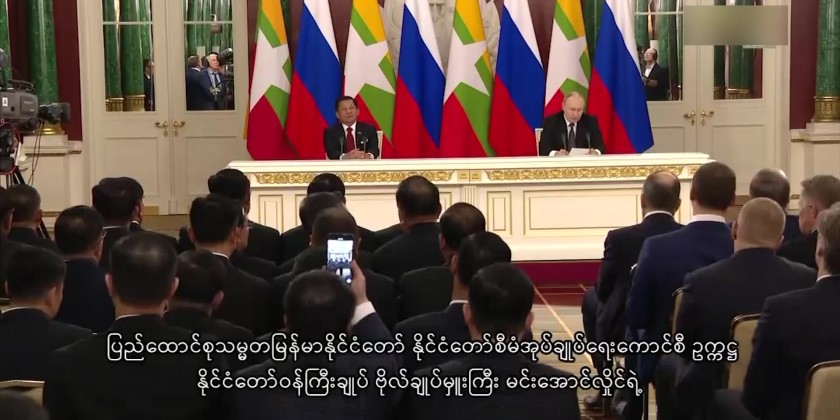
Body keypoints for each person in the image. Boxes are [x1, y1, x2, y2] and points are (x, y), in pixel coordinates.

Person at [656, 197, 815, 419]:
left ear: (734, 230)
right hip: (781, 394)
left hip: (713, 393)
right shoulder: (806, 279)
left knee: (667, 363)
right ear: (780, 241)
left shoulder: (701, 281)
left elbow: (684, 345)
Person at [538, 91, 605, 156]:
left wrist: (596, 152)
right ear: (563, 106)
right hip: (559, 163)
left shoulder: (590, 121)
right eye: (572, 109)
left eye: (579, 110)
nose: (575, 114)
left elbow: (600, 148)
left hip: (583, 163)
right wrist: (556, 154)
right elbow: (543, 149)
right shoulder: (551, 122)